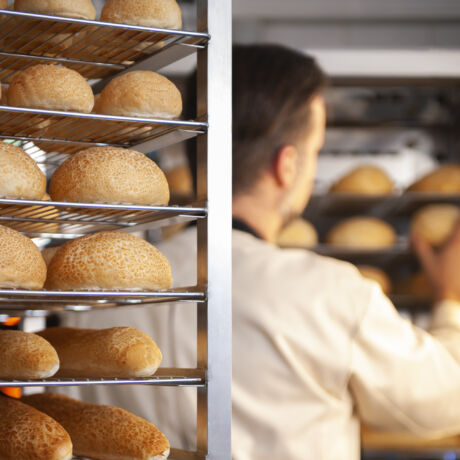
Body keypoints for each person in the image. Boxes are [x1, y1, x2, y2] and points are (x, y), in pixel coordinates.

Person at [64, 44, 460, 460]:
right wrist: (449, 297)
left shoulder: (101, 294)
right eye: (315, 150)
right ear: (286, 165)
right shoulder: (331, 294)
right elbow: (445, 403)